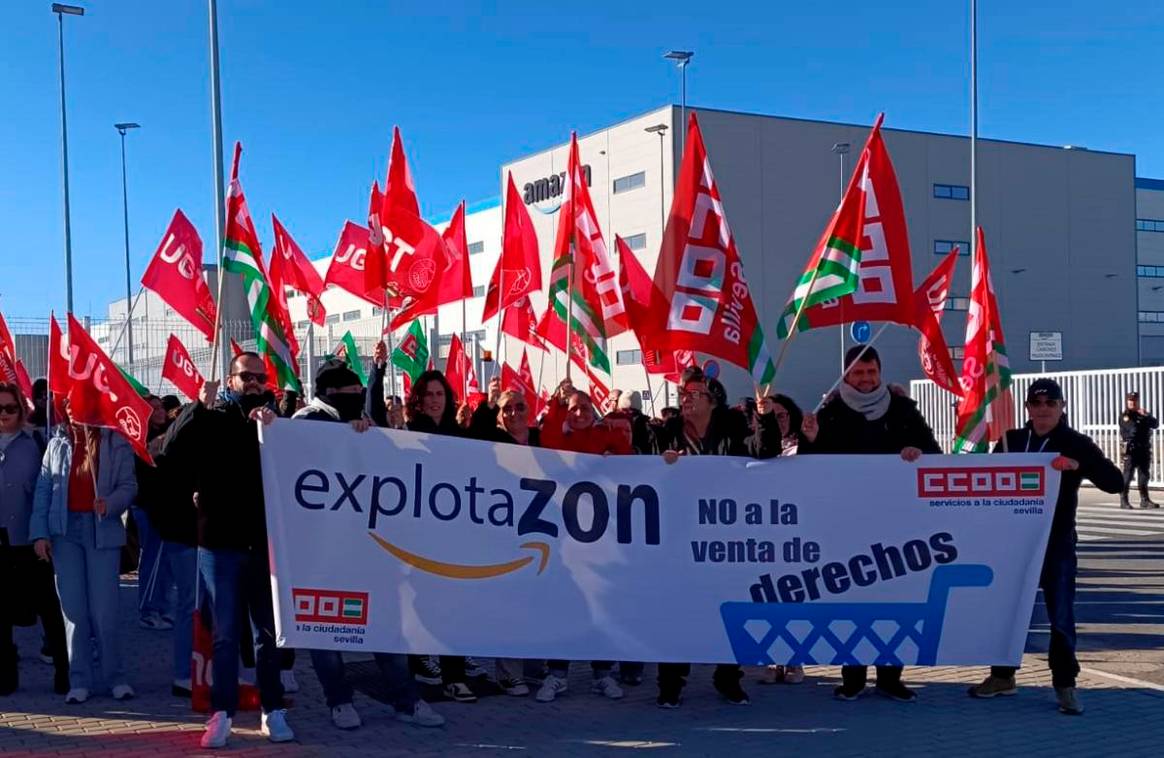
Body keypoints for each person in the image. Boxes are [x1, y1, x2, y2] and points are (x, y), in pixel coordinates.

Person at [293, 360, 445, 729]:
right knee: (326, 628)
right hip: (322, 553)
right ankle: (338, 700)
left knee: (386, 626)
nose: (356, 398)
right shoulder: (302, 423)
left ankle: (406, 701)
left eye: (359, 394)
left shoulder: (362, 423)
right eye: (350, 394)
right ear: (330, 394)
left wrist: (372, 436)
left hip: (370, 547)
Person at [968, 378, 1124, 715]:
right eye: (1036, 404)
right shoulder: (1012, 440)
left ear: (1061, 407)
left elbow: (1115, 483)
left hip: (1056, 543)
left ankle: (1065, 684)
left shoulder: (1076, 442)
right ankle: (1002, 676)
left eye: (1050, 404)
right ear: (1027, 408)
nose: (1043, 410)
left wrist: (1078, 466)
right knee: (1007, 613)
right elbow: (987, 484)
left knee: (1061, 616)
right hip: (1014, 543)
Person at [162, 352, 293, 748]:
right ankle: (222, 712)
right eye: (245, 376)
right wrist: (196, 407)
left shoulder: (273, 423)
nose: (253, 382)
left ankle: (273, 709)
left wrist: (278, 427)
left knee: (266, 634)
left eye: (259, 377)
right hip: (218, 545)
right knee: (223, 633)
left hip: (263, 544)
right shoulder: (210, 419)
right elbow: (170, 449)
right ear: (230, 379)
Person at [800, 346, 941, 704]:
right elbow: (810, 467)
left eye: (871, 372)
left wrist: (915, 452)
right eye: (858, 373)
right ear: (846, 375)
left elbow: (933, 454)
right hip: (847, 522)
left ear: (880, 372)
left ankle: (891, 676)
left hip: (896, 521)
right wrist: (811, 439)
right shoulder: (829, 411)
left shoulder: (902, 409)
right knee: (852, 598)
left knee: (894, 597)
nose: (866, 380)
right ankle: (853, 677)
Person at [371, 365, 481, 703]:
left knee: (454, 607)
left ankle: (454, 675)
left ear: (448, 399)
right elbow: (375, 419)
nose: (434, 400)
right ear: (418, 400)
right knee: (414, 605)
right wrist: (377, 373)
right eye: (428, 395)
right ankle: (415, 664)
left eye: (440, 394)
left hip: (452, 536)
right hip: (415, 536)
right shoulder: (406, 432)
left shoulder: (460, 435)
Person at [652, 366, 754, 708]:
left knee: (728, 607)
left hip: (725, 534)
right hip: (679, 535)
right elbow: (640, 469)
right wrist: (661, 464)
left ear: (713, 401)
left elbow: (763, 453)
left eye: (694, 394)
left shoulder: (733, 426)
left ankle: (728, 678)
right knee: (677, 610)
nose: (686, 400)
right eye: (683, 395)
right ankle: (671, 683)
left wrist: (766, 417)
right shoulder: (667, 430)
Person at [30, 398, 137, 705]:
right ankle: (79, 679)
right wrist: (39, 533)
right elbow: (43, 489)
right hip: (64, 532)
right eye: (71, 404)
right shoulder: (57, 442)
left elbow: (129, 486)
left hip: (101, 529)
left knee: (105, 611)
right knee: (73, 611)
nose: (76, 409)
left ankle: (116, 677)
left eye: (82, 402)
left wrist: (112, 503)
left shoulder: (115, 441)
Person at [0, 383, 67, 696]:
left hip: (32, 539)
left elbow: (49, 486)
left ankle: (64, 671)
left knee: (48, 608)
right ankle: (6, 675)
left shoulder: (38, 440)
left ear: (21, 409)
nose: (4, 415)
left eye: (10, 408)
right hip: (1, 540)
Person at [749, 392, 807, 685]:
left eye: (782, 414)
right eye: (773, 414)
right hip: (766, 534)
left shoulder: (805, 444)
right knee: (768, 598)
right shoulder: (758, 445)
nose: (778, 419)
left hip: (799, 536)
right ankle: (773, 657)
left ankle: (795, 659)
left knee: (794, 599)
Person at [133, 395, 174, 632]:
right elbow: (148, 457)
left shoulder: (168, 431)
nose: (159, 411)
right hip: (149, 507)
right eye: (153, 407)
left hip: (165, 507)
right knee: (152, 558)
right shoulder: (139, 436)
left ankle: (162, 606)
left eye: (161, 407)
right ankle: (148, 609)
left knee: (164, 560)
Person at [1118, 391, 1158, 509]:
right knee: (1128, 475)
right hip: (1131, 449)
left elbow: (1155, 424)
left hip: (1143, 449)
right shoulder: (1125, 415)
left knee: (1144, 474)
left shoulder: (1142, 414)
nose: (1132, 403)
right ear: (1127, 401)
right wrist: (1140, 420)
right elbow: (1132, 430)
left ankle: (1144, 499)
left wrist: (1147, 416)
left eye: (1134, 401)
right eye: (1130, 401)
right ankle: (1123, 499)